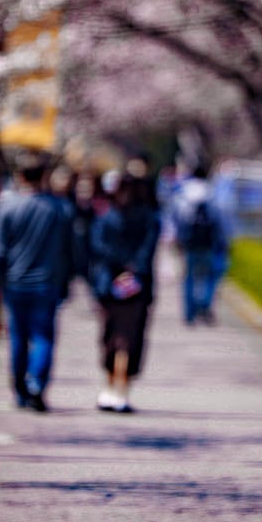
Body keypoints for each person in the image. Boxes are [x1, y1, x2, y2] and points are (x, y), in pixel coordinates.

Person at [0, 153, 73, 412]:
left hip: (16, 283)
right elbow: (70, 250)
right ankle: (36, 385)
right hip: (47, 284)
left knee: (18, 337)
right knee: (43, 336)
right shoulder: (59, 209)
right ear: (44, 176)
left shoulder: (7, 208)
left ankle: (21, 389)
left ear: (19, 176)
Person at [89, 172, 161, 413]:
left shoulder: (113, 217)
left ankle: (117, 388)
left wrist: (122, 269)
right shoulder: (114, 217)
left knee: (121, 340)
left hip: (117, 285)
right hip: (127, 285)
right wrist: (130, 269)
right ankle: (116, 388)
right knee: (119, 339)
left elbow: (100, 247)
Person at [172, 165, 228, 325]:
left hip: (189, 242)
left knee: (189, 276)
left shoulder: (182, 193)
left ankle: (189, 313)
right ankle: (204, 304)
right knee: (209, 275)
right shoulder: (212, 192)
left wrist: (178, 238)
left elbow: (176, 218)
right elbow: (219, 218)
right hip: (208, 242)